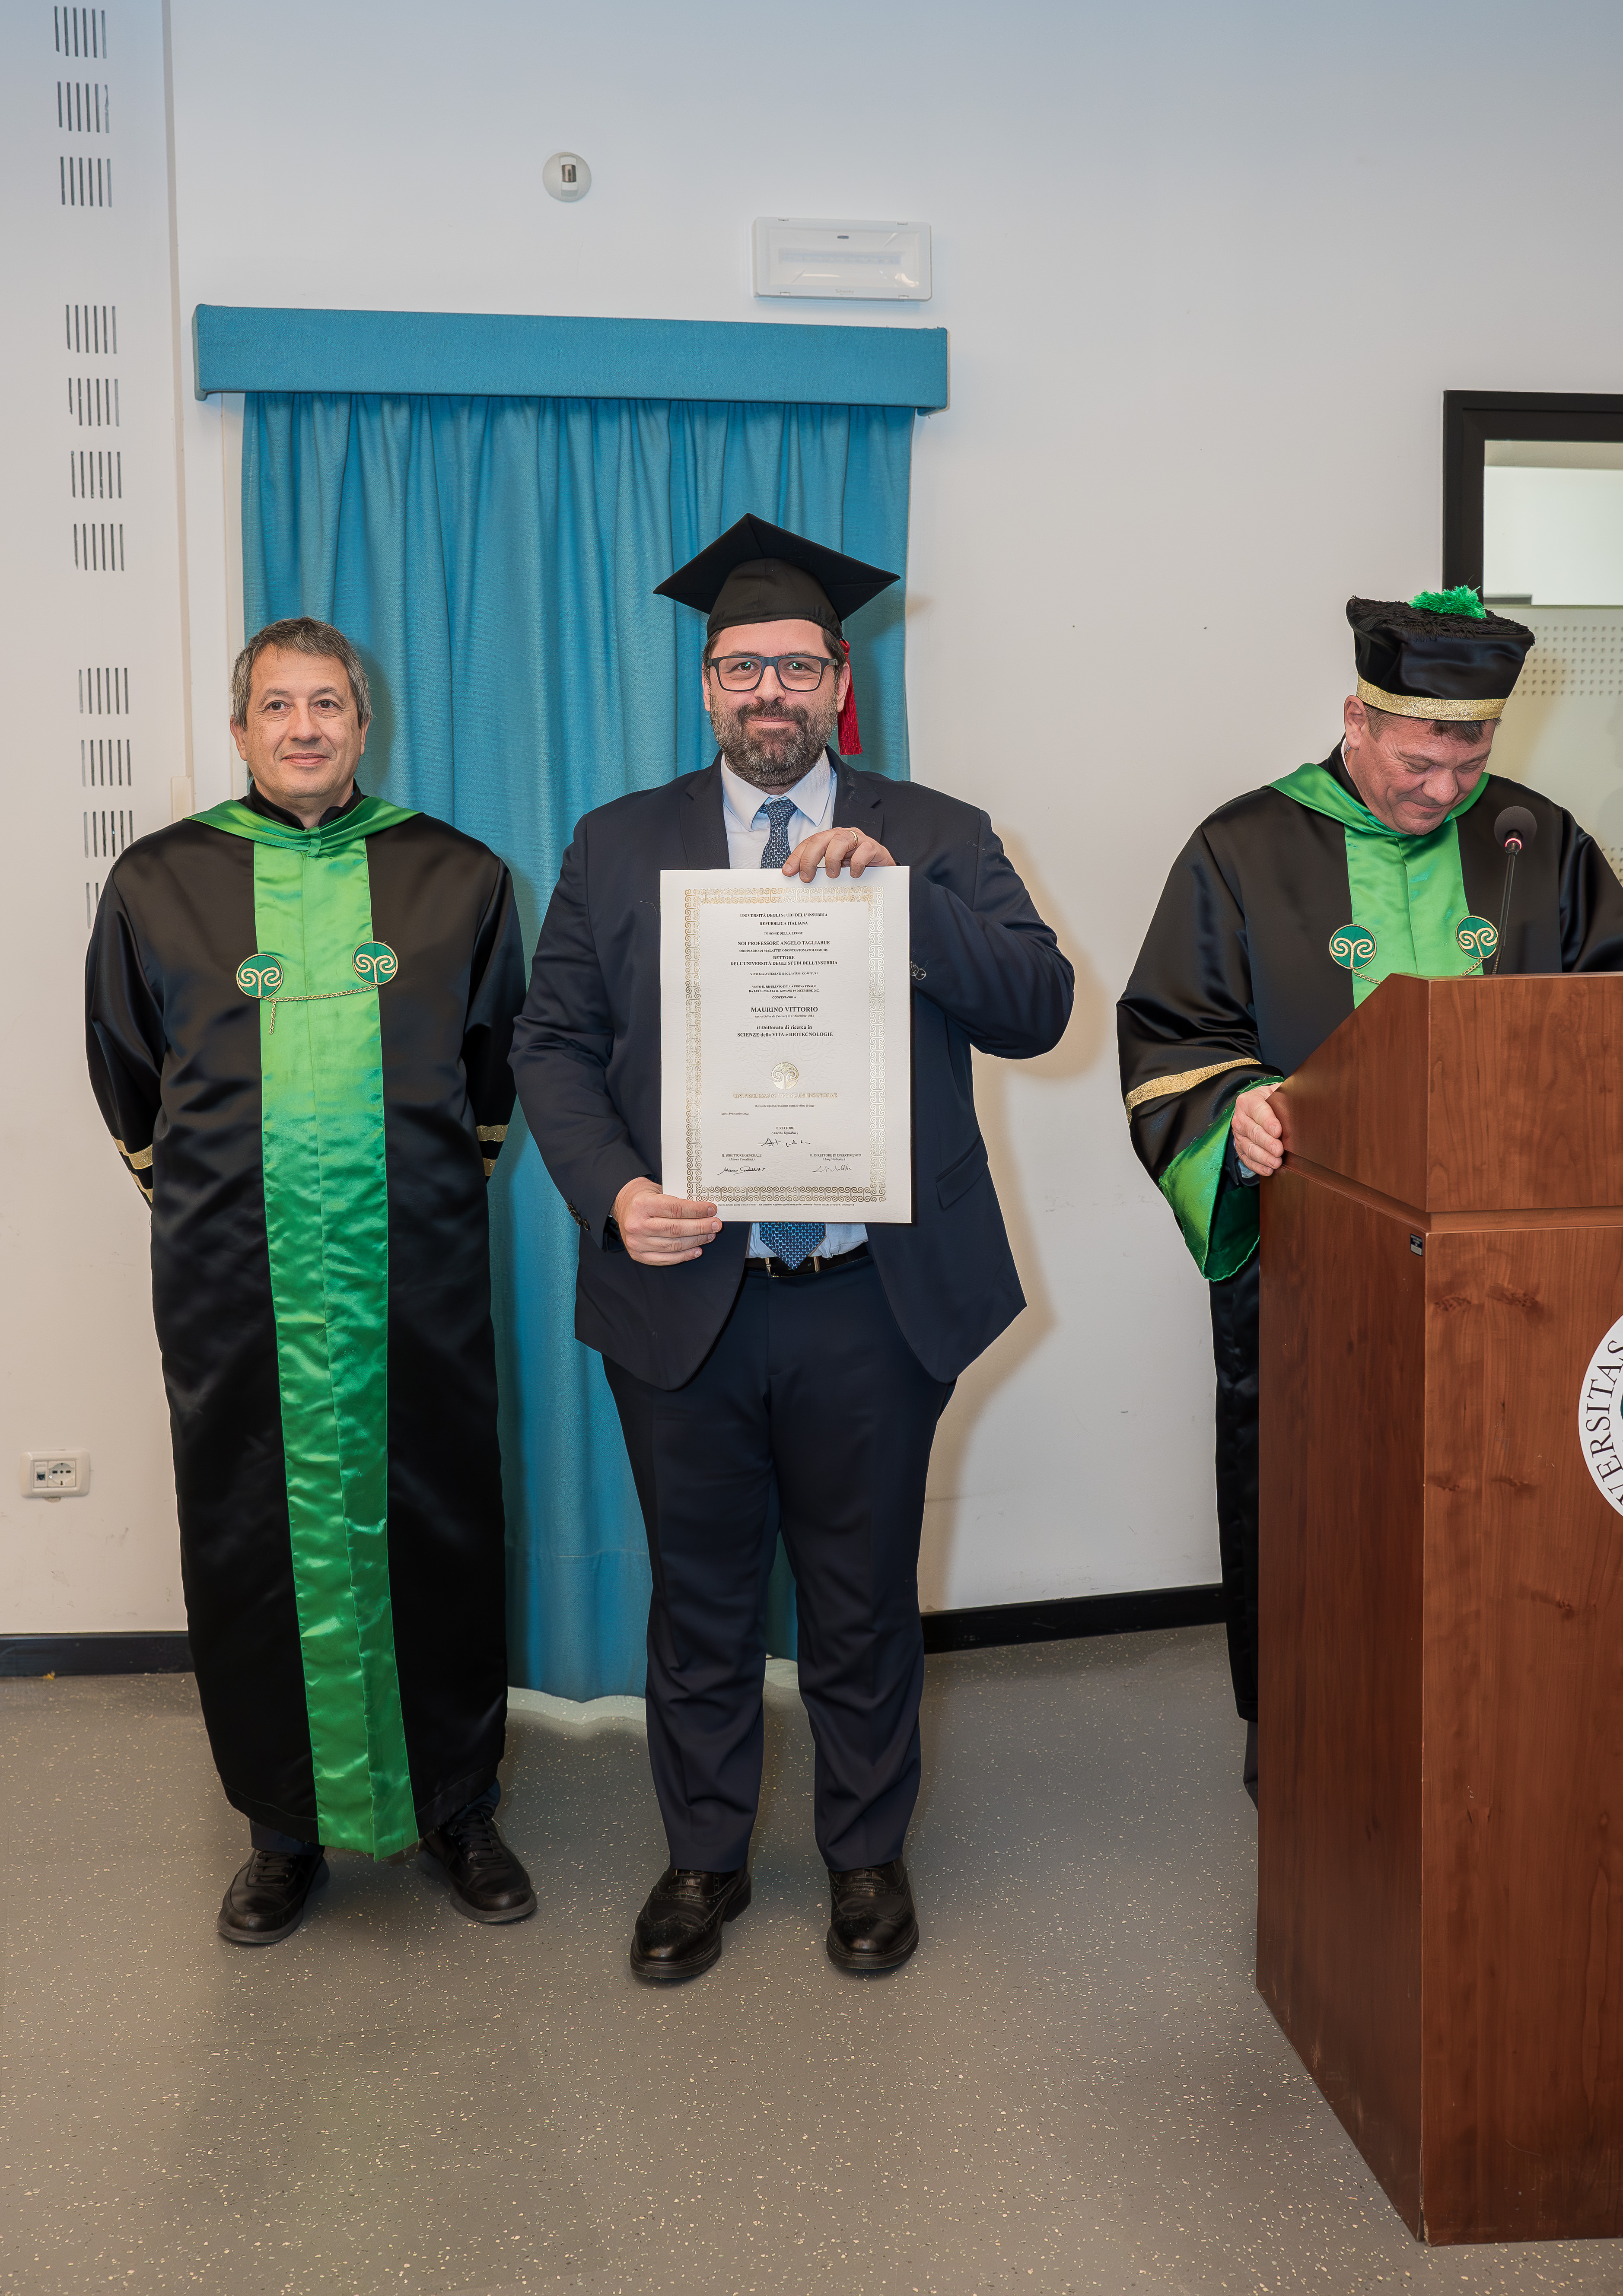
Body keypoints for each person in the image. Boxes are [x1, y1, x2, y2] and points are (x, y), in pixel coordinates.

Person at [511, 514, 1073, 1981]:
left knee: (861, 1594)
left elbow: (1038, 1007)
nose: (770, 692)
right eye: (740, 668)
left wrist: (901, 900)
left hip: (868, 1299)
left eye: (797, 667)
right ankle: (703, 1859)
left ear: (839, 680)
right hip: (683, 1287)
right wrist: (613, 1192)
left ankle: (864, 1854)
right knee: (697, 1599)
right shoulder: (617, 840)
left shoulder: (935, 830)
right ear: (707, 685)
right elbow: (552, 1042)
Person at [1118, 588, 1623, 1803]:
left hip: (1516, 1283)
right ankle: (1300, 1735)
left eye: (1471, 758)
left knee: (1514, 1496)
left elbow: (1604, 1020)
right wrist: (1235, 1109)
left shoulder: (1540, 841)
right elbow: (1174, 1036)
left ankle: (1510, 1727)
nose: (1446, 789)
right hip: (1316, 1270)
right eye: (1419, 759)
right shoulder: (1242, 849)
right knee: (1310, 1500)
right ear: (1357, 719)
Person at [85, 615, 535, 1943]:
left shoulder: (457, 874)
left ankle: (458, 1806)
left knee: (440, 1520)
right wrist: (230, 1210)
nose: (303, 726)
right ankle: (280, 1828)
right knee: (248, 1534)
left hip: (416, 1275)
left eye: (327, 703)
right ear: (240, 729)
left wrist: (415, 1199)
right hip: (234, 1281)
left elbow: (496, 1074)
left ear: (361, 723)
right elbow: (127, 1074)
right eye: (277, 705)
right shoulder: (159, 881)